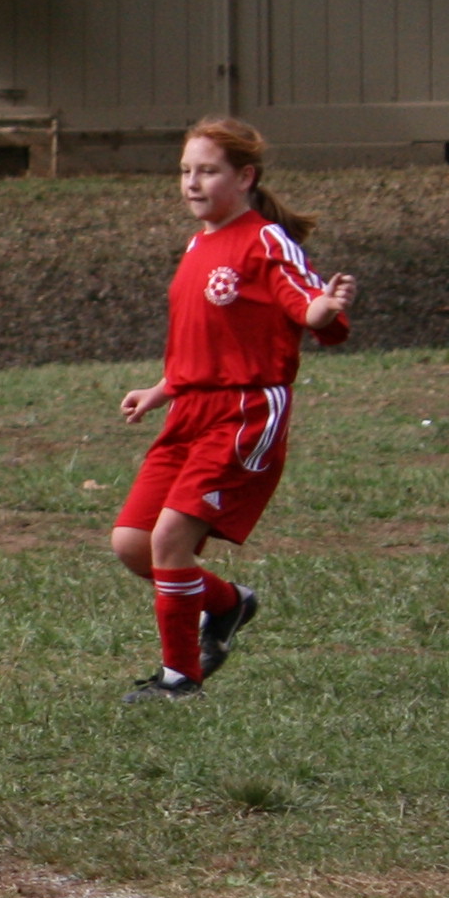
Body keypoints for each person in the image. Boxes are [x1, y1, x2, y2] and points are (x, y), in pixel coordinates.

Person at [111, 117, 356, 704]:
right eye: (185, 171)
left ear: (244, 177)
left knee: (170, 539)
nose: (192, 183)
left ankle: (179, 681)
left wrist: (324, 308)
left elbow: (308, 308)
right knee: (132, 543)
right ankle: (227, 604)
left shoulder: (265, 241)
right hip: (190, 410)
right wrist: (163, 388)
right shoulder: (198, 244)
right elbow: (208, 337)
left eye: (208, 171)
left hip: (245, 411)